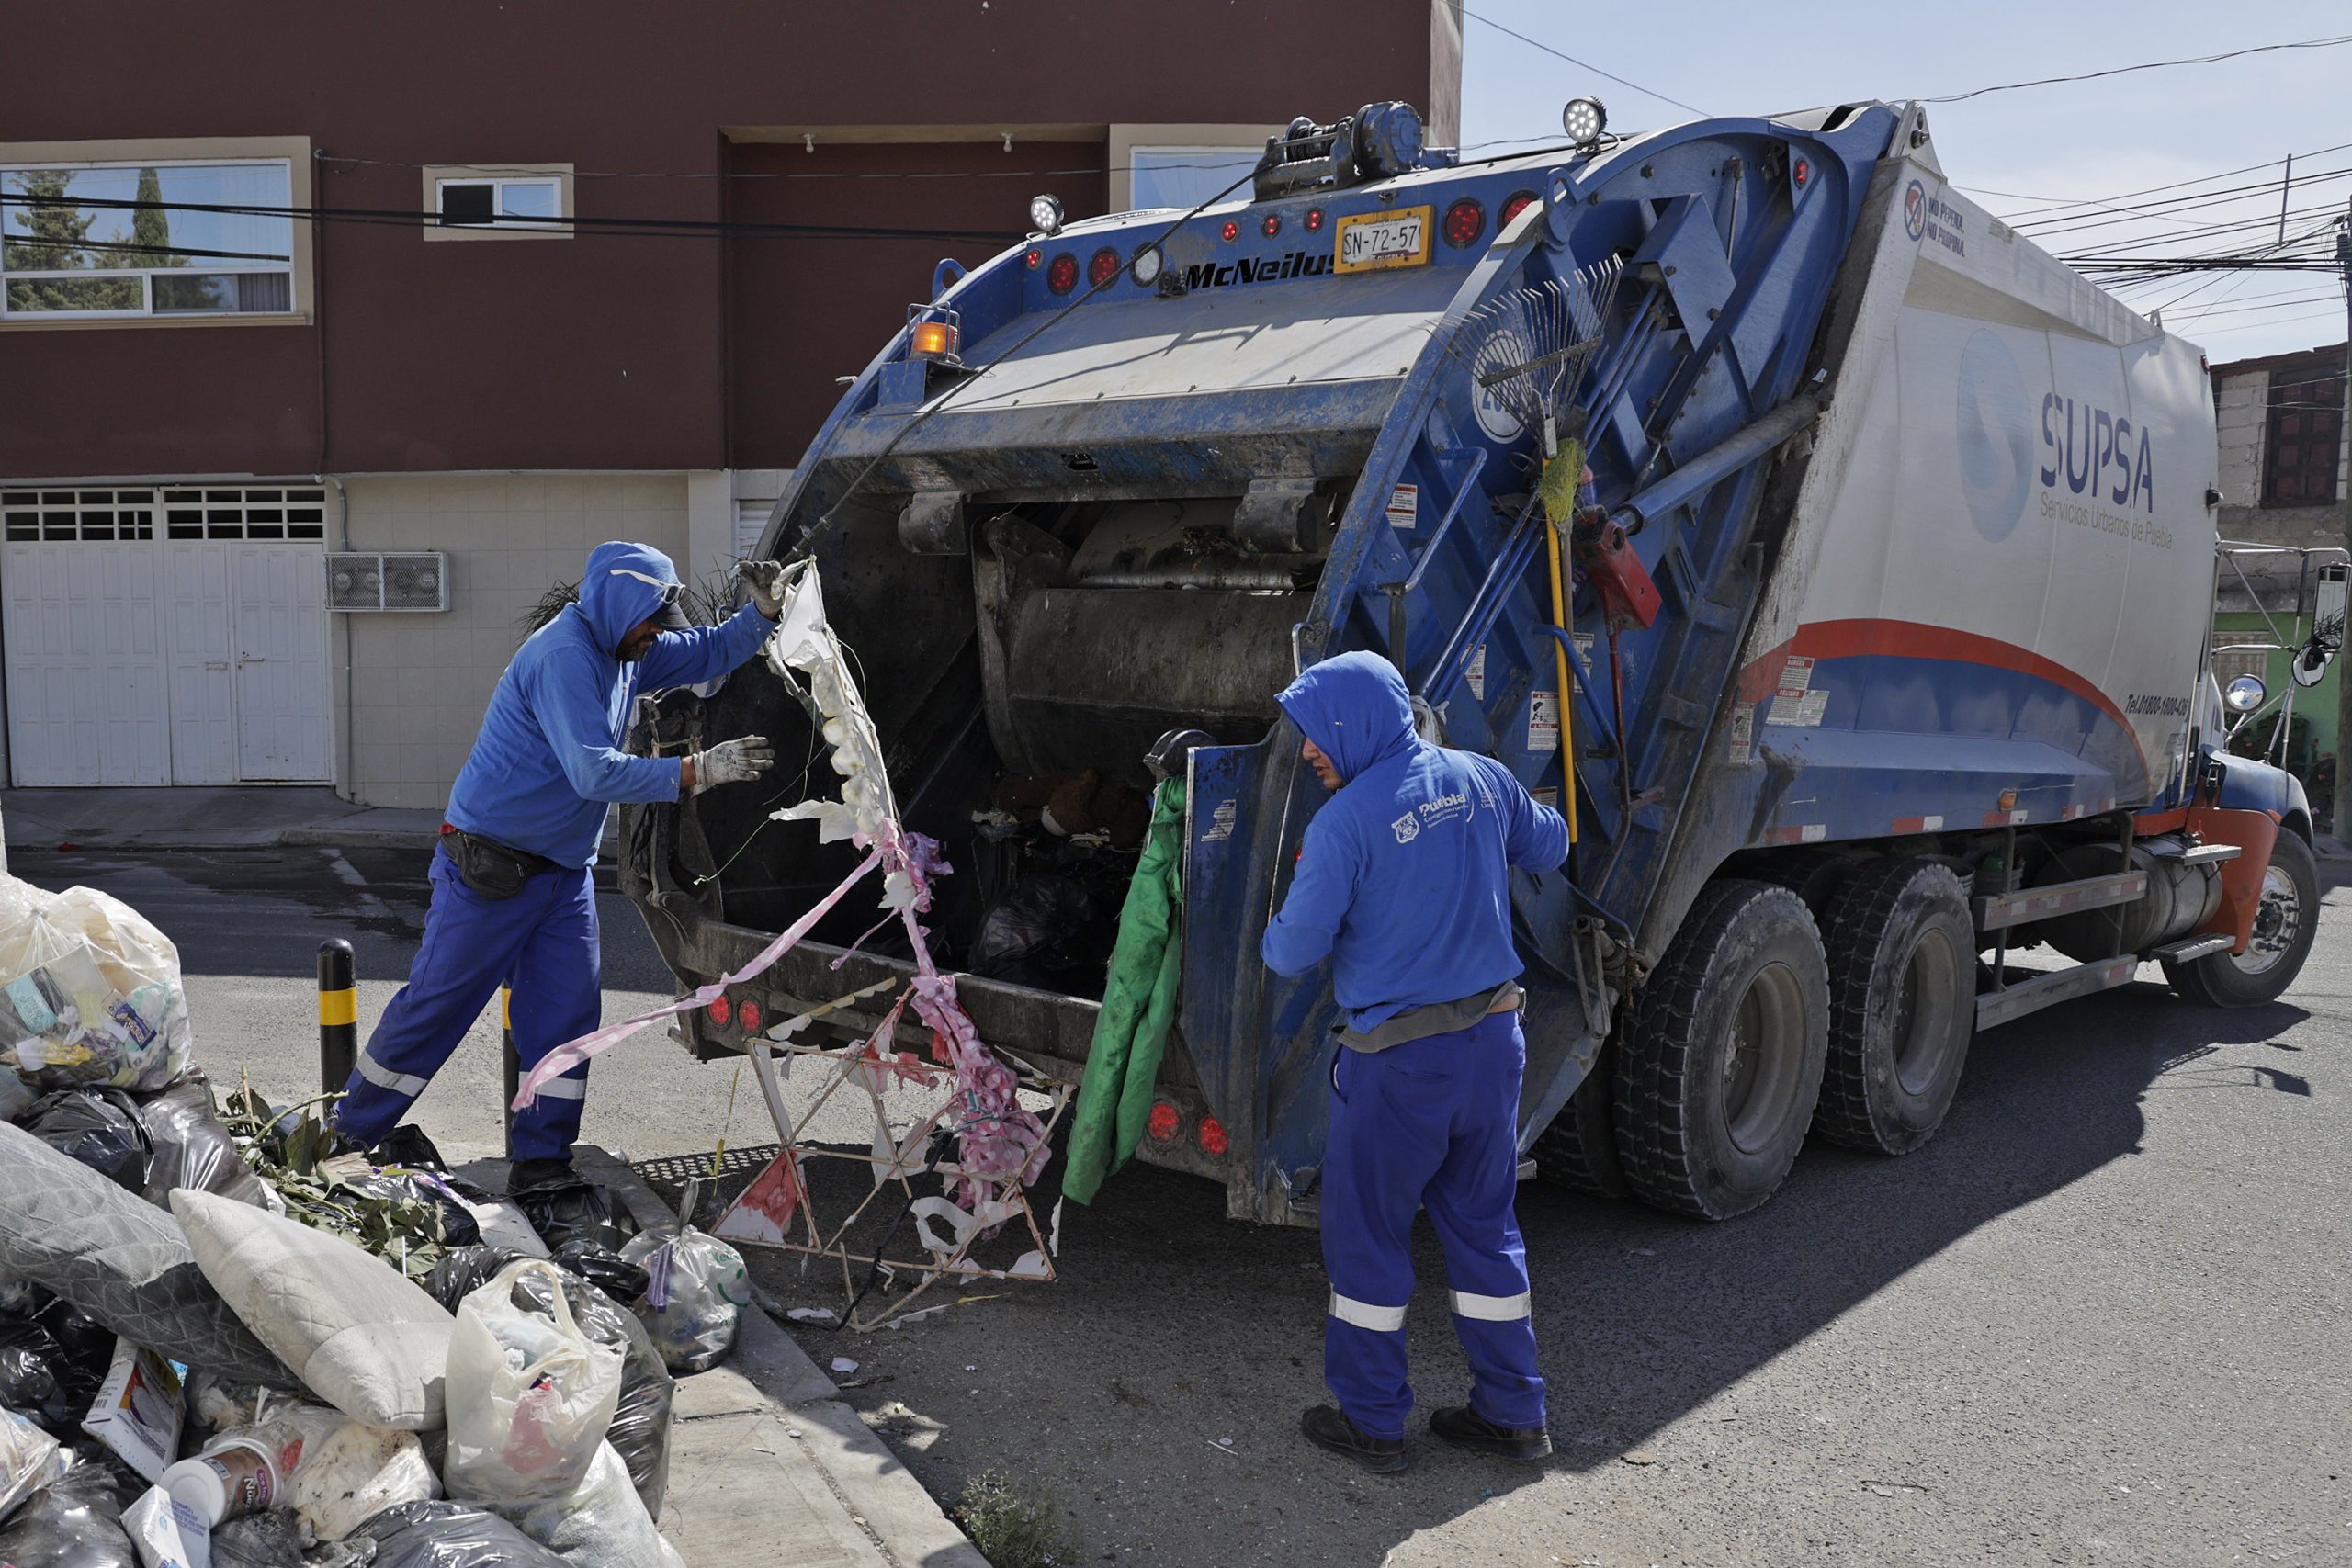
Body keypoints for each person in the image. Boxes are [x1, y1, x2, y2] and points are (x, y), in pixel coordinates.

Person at [334, 541, 784, 1186]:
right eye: (650, 619)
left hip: (560, 876)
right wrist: (697, 770)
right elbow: (592, 771)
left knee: (567, 1018)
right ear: (620, 607)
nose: (657, 634)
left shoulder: (628, 651)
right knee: (437, 1008)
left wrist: (762, 614)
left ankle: (542, 1160)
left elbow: (709, 652)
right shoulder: (564, 656)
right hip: (488, 867)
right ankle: (346, 1133)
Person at [1261, 650, 1568, 1472]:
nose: (1308, 753)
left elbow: (1292, 953)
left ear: (1356, 723)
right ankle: (1513, 1414)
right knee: (1484, 1228)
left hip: (1400, 1065)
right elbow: (1552, 847)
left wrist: (1272, 920)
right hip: (1493, 1047)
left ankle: (1372, 1422)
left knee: (1367, 1236)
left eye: (1316, 735)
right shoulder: (1483, 777)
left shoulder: (1344, 824)